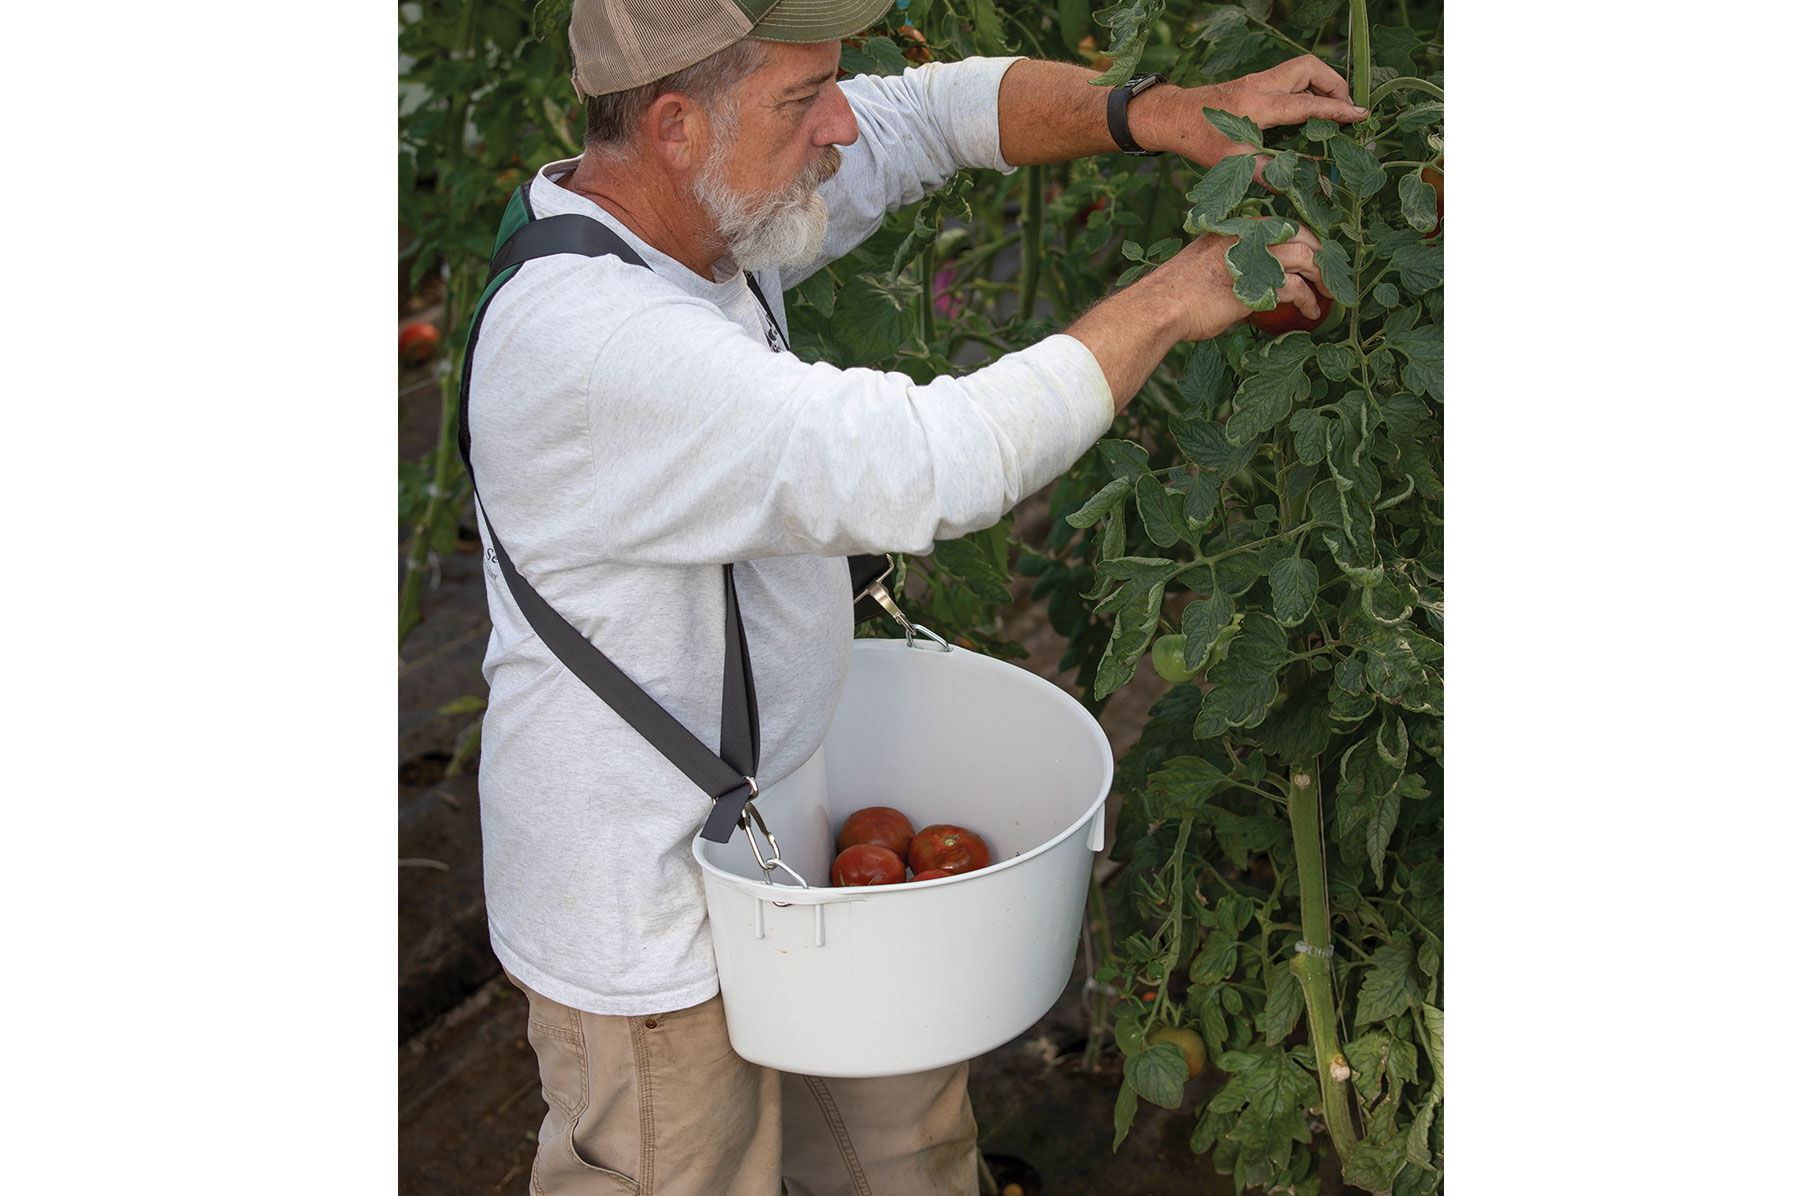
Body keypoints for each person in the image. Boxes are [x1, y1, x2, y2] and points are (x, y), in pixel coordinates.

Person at [466, 2, 1364, 1192]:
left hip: (797, 844)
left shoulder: (692, 215)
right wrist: (1180, 293)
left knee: (910, 1157)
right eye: (803, 99)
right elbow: (936, 461)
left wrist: (1152, 113)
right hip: (650, 915)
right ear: (676, 123)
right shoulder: (596, 342)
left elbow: (930, 112)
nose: (842, 120)